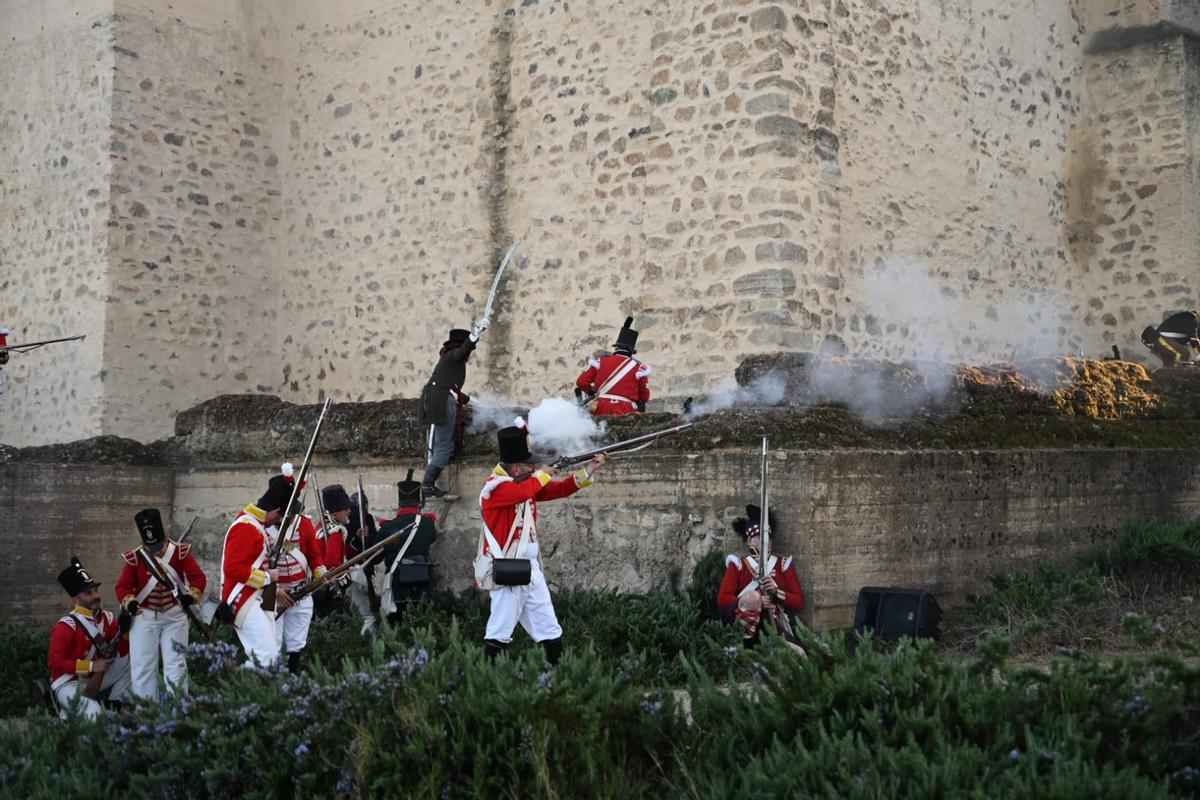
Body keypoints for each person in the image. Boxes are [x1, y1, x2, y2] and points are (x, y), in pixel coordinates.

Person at [478, 419, 607, 664]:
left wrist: (589, 469)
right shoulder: (494, 488)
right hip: (509, 569)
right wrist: (541, 474)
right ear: (516, 469)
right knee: (499, 631)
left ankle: (557, 678)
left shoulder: (525, 482)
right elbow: (524, 492)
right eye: (529, 466)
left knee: (548, 626)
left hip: (530, 568)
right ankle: (486, 682)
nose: (533, 468)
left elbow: (561, 489)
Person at [115, 508, 207, 700]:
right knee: (142, 668)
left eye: (158, 545)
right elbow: (123, 586)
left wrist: (190, 596)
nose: (156, 550)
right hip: (144, 617)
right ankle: (146, 714)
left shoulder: (180, 553)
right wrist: (130, 602)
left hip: (174, 616)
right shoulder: (135, 558)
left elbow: (197, 578)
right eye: (151, 546)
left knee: (176, 666)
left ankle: (178, 712)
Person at [219, 469, 296, 667]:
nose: (278, 522)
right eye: (279, 517)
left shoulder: (253, 523)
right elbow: (233, 568)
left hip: (252, 597)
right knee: (266, 657)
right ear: (276, 511)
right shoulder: (247, 527)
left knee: (267, 657)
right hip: (242, 598)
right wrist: (268, 577)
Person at [48, 557, 131, 719]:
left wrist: (126, 632)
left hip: (95, 678)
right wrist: (92, 666)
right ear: (75, 599)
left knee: (133, 661)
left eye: (95, 591)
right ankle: (72, 713)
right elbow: (55, 662)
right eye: (88, 593)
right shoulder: (66, 626)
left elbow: (122, 651)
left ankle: (116, 702)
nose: (95, 596)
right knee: (95, 717)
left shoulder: (106, 619)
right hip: (69, 682)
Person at [418, 315, 489, 499]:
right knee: (444, 446)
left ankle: (428, 483)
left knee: (440, 445)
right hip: (442, 401)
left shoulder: (446, 359)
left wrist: (469, 400)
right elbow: (462, 352)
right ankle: (427, 484)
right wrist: (475, 335)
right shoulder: (454, 355)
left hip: (437, 397)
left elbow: (450, 387)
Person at [717, 505, 805, 650]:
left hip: (773, 625)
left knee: (800, 653)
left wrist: (776, 592)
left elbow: (798, 601)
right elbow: (723, 600)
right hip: (745, 625)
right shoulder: (739, 565)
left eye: (768, 537)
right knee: (753, 598)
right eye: (760, 537)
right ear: (750, 541)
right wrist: (754, 601)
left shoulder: (782, 565)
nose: (766, 541)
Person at [268, 465, 327, 673]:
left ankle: (293, 677)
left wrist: (321, 573)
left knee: (296, 645)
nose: (292, 516)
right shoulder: (261, 528)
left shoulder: (304, 524)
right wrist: (274, 591)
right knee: (270, 645)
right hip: (272, 593)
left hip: (300, 589)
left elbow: (313, 555)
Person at [372, 469, 438, 622]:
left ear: (399, 504)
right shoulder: (427, 523)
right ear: (418, 503)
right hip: (422, 582)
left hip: (398, 586)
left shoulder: (387, 528)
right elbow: (432, 538)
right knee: (422, 624)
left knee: (397, 624)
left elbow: (376, 558)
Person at [574, 316, 651, 415]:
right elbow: (645, 396)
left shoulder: (600, 362)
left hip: (601, 408)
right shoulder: (639, 368)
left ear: (616, 347)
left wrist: (591, 392)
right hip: (626, 410)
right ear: (631, 351)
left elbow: (581, 382)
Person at [312, 484, 353, 618]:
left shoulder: (321, 526)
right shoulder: (336, 531)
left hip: (317, 584)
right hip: (330, 586)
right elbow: (332, 564)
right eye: (345, 508)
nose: (349, 511)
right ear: (336, 511)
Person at [346, 487, 381, 634]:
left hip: (361, 568)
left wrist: (367, 537)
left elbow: (373, 542)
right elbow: (348, 545)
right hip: (355, 570)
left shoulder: (368, 519)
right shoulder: (352, 520)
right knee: (364, 612)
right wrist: (359, 537)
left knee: (365, 609)